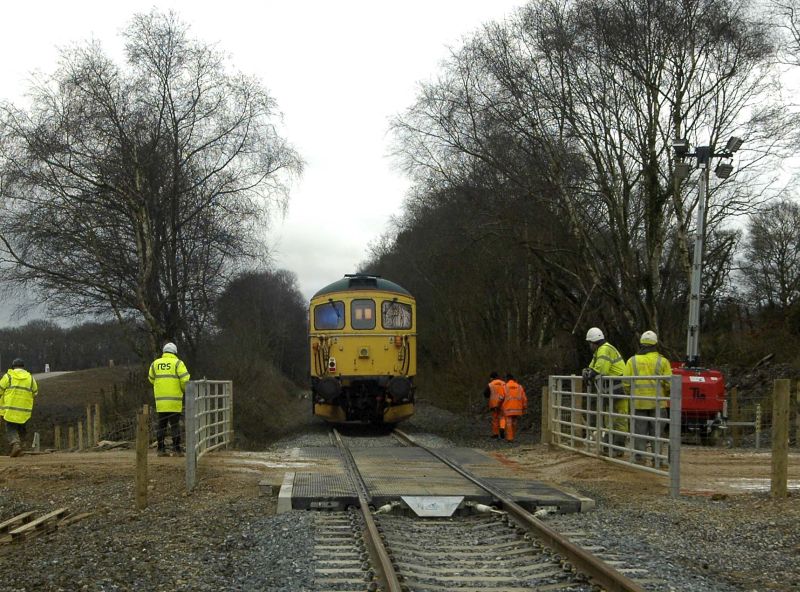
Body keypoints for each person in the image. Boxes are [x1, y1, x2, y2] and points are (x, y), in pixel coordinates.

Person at [623, 331, 672, 465]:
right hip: (658, 403)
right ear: (656, 344)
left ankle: (639, 458)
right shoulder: (663, 361)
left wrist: (631, 394)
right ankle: (657, 459)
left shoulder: (632, 361)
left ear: (641, 344)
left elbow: (626, 382)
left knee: (639, 433)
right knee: (657, 433)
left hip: (638, 402)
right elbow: (669, 383)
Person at [583, 327, 628, 457]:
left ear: (593, 342)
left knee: (619, 420)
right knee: (611, 420)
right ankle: (609, 448)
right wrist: (587, 371)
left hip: (618, 389)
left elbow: (601, 369)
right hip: (613, 389)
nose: (589, 346)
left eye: (589, 343)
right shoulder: (601, 350)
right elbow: (593, 367)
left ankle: (616, 449)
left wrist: (589, 374)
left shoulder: (604, 350)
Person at [148, 342, 191, 457]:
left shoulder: (155, 364)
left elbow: (151, 379)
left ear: (164, 352)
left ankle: (161, 449)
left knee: (161, 425)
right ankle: (176, 449)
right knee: (175, 425)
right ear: (175, 352)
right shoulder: (178, 363)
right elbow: (185, 380)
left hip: (161, 401)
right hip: (174, 401)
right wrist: (182, 390)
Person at [0, 358, 39, 458]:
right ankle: (22, 447)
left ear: (13, 366)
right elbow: (35, 392)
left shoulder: (8, 376)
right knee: (22, 428)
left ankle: (15, 444)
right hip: (24, 410)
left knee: (11, 428)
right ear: (23, 367)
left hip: (10, 409)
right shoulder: (30, 378)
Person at [500, 374, 527, 443]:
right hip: (517, 409)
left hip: (508, 408)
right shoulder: (520, 387)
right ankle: (513, 436)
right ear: (514, 379)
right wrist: (524, 407)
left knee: (509, 423)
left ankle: (510, 438)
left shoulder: (505, 387)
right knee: (514, 423)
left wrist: (499, 405)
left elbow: (501, 398)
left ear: (507, 379)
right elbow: (524, 399)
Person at [483, 372, 506, 439]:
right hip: (502, 403)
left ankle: (495, 434)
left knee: (495, 418)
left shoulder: (490, 384)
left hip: (493, 404)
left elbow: (485, 394)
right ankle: (502, 428)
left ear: (491, 378)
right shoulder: (503, 383)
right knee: (502, 417)